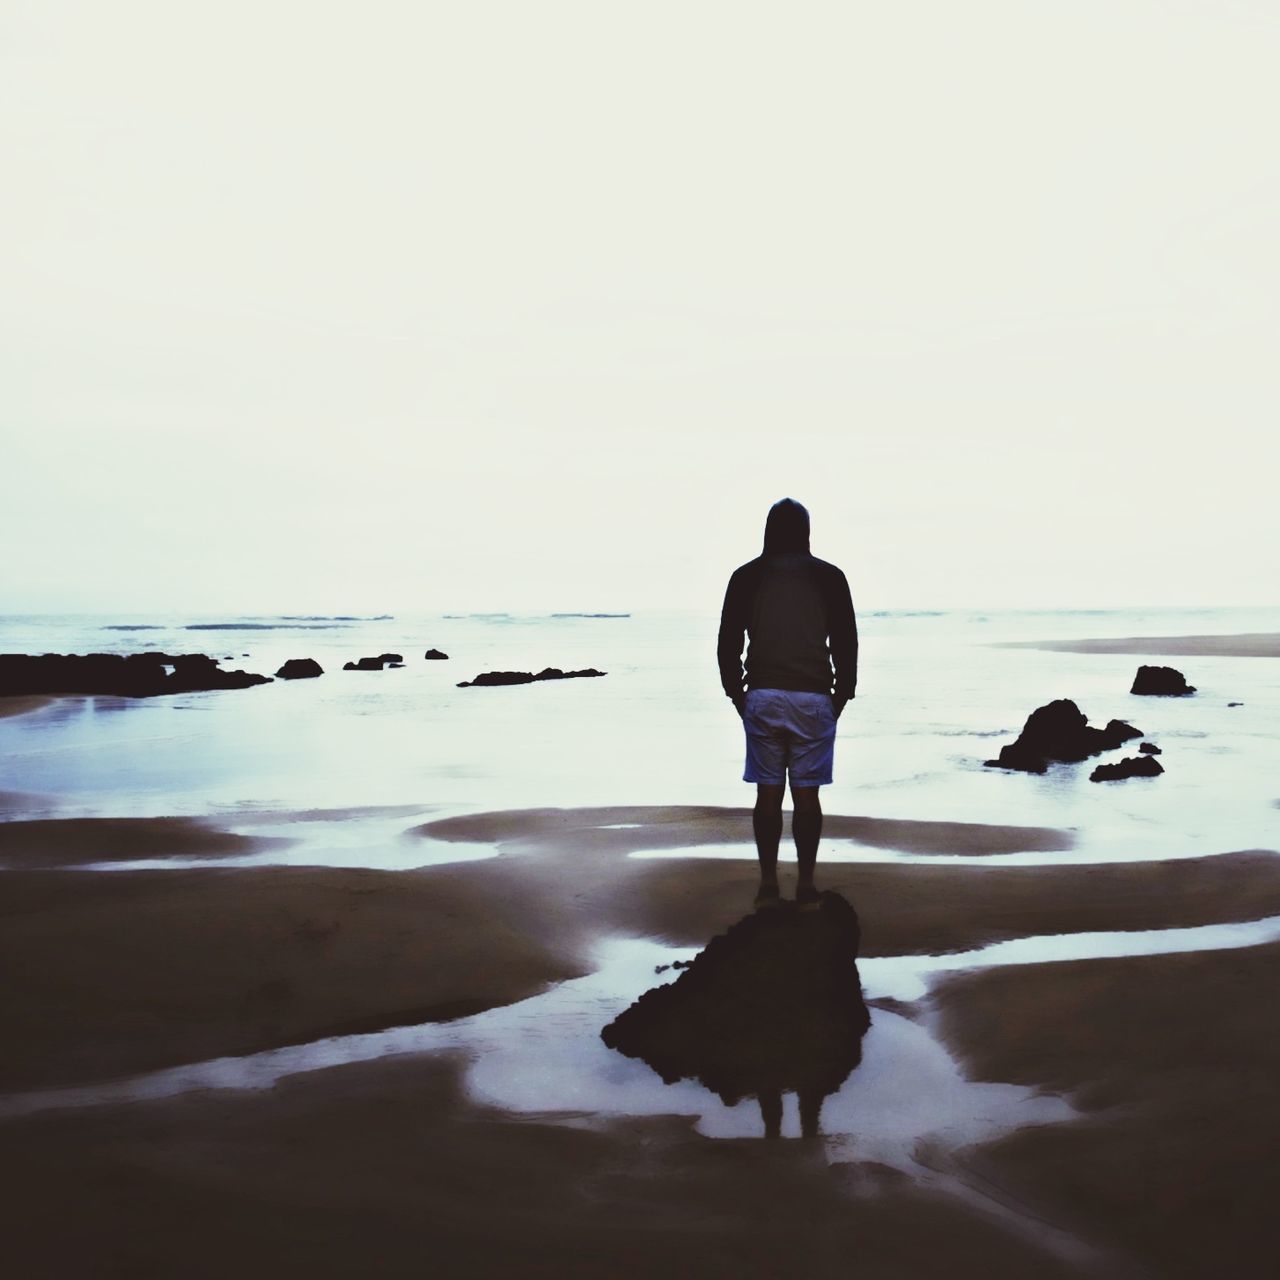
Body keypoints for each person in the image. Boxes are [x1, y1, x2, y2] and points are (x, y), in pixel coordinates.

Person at [717, 498, 858, 909]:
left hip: (762, 694)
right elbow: (846, 641)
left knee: (767, 794)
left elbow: (728, 641)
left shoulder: (746, 576)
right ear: (807, 531)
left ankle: (767, 884)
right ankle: (807, 884)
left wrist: (736, 694)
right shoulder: (830, 576)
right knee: (808, 796)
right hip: (813, 697)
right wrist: (840, 697)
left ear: (768, 529)